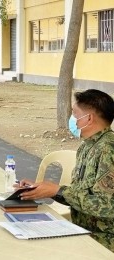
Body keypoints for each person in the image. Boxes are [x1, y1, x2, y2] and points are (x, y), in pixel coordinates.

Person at [19, 89, 114, 252]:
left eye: (75, 115)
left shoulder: (108, 150)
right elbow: (79, 195)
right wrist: (44, 190)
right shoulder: (86, 147)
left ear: (89, 118)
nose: (73, 120)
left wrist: (57, 190)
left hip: (103, 240)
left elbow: (108, 206)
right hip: (80, 229)